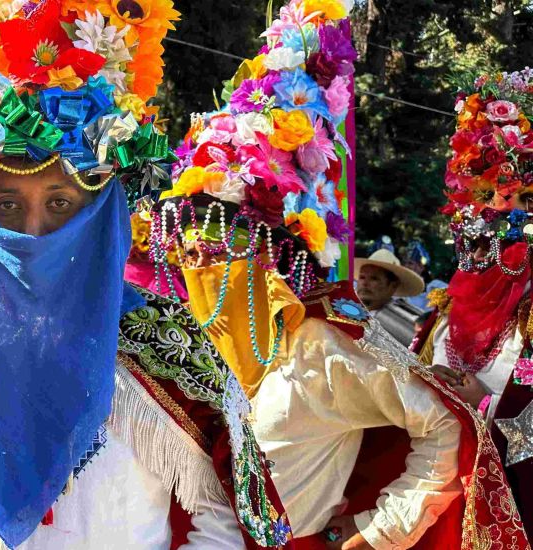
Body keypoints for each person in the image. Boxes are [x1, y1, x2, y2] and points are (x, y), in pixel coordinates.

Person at [0, 1, 295, 548]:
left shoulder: (164, 341)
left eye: (60, 204)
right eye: (7, 207)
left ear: (104, 210)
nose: (35, 233)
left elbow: (231, 519)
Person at [150, 2, 528, 548]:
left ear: (265, 252)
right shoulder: (202, 340)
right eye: (189, 251)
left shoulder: (320, 343)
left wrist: (375, 533)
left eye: (218, 247)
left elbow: (447, 425)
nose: (201, 266)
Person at [411, 67, 533, 530]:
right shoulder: (443, 312)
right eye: (489, 196)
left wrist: (485, 404)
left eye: (527, 199)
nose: (505, 213)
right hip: (437, 507)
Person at [354, 249, 424, 345]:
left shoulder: (409, 321)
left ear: (393, 286)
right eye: (362, 277)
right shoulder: (347, 312)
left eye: (374, 278)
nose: (365, 283)